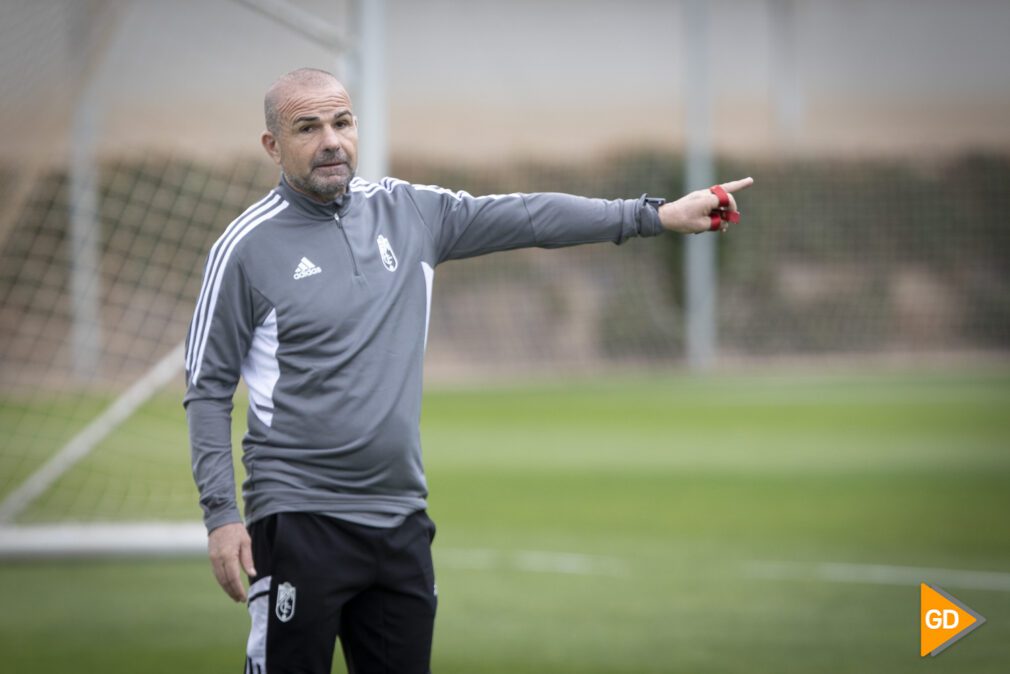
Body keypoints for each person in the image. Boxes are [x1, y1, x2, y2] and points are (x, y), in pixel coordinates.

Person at [183, 67, 753, 674]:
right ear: (273, 146)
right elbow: (207, 388)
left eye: (342, 122)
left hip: (401, 519)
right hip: (298, 522)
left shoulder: (408, 213)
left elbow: (529, 217)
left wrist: (654, 216)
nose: (331, 140)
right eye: (308, 127)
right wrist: (222, 516)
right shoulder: (243, 248)